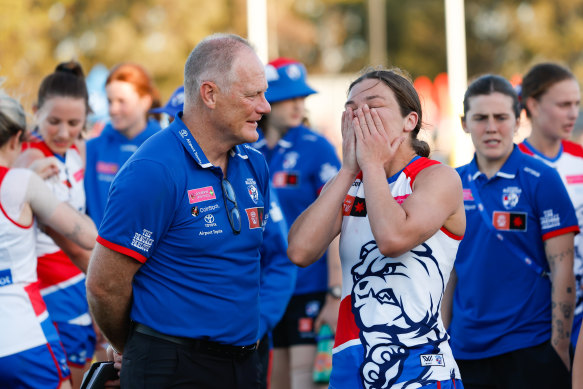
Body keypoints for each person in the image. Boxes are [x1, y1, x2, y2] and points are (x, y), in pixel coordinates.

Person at [86, 33, 275, 388]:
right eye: (252, 95)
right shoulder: (153, 169)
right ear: (209, 94)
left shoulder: (254, 163)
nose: (265, 106)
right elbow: (104, 285)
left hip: (245, 362)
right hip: (171, 366)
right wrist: (134, 347)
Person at [287, 67, 466, 388]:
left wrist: (371, 163)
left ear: (409, 121)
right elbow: (300, 251)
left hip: (418, 364)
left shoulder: (436, 177)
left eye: (373, 104)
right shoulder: (349, 181)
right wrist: (347, 169)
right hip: (350, 362)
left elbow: (392, 239)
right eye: (351, 108)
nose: (359, 115)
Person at [443, 74, 578, 388]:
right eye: (480, 118)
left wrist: (558, 347)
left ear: (518, 121)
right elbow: (448, 272)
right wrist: (443, 339)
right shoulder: (450, 183)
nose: (491, 127)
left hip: (529, 347)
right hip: (465, 350)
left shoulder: (542, 178)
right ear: (464, 123)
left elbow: (563, 269)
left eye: (501, 117)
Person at [252, 58, 342, 389]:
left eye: (301, 98)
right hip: (263, 288)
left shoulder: (317, 148)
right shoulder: (247, 147)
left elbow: (337, 221)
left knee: (305, 382)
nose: (297, 105)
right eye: (287, 97)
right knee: (271, 381)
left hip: (310, 286)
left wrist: (335, 294)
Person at [0, 90, 97, 389]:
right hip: (21, 337)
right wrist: (32, 180)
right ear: (17, 138)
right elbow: (88, 237)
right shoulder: (19, 182)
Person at [517, 63, 583, 346]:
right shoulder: (512, 164)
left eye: (576, 104)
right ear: (533, 104)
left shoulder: (579, 158)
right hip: (530, 319)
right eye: (563, 104)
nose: (573, 113)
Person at [84, 62, 161, 227]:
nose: (113, 109)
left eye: (121, 101)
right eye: (110, 101)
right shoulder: (91, 149)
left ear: (145, 101)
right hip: (95, 249)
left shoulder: (165, 148)